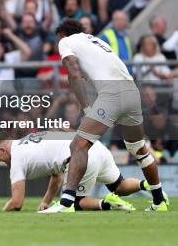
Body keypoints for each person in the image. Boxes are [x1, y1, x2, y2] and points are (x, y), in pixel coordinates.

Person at [41, 19, 168, 213]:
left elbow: (74, 73)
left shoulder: (65, 41)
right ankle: (159, 201)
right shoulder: (96, 41)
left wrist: (85, 108)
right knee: (138, 148)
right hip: (132, 91)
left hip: (113, 93)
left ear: (62, 35)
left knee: (78, 145)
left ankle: (66, 203)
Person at [0, 131, 166, 212]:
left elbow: (17, 203)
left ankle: (107, 204)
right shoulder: (31, 141)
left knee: (73, 202)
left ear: (3, 150)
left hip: (80, 157)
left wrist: (3, 210)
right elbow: (56, 175)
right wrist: (46, 201)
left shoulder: (17, 156)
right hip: (95, 146)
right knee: (119, 185)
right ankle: (150, 186)